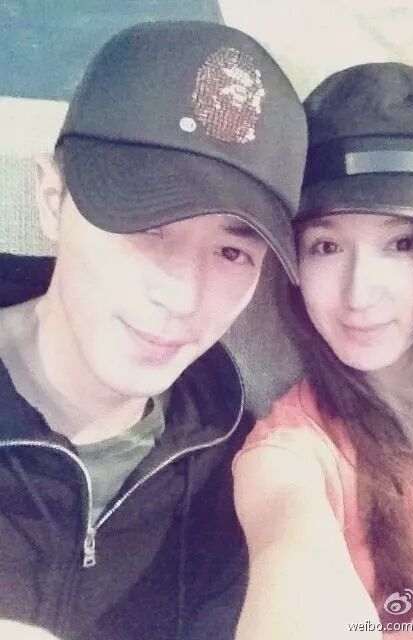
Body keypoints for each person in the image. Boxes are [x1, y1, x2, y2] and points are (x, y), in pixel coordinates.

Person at [0, 20, 307, 640]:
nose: (182, 297)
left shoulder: (230, 455)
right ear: (53, 198)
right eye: (147, 226)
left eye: (231, 252)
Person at [233, 62, 413, 639]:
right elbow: (293, 556)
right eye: (326, 246)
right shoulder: (294, 454)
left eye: (401, 243)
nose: (358, 293)